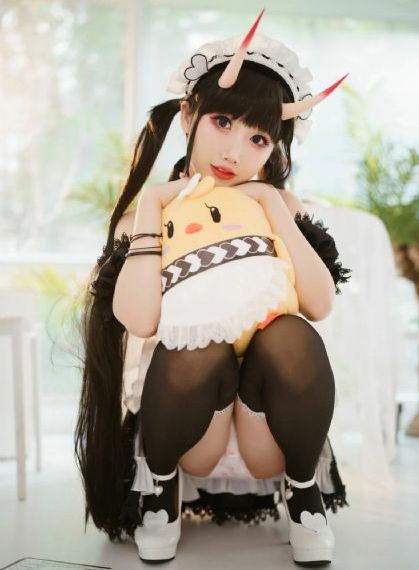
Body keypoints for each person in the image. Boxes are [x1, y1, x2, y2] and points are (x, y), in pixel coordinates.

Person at [74, 10, 351, 567]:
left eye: (258, 138)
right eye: (223, 122)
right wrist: (152, 203)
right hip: (188, 421)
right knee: (197, 343)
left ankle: (304, 491)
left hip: (267, 424)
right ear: (188, 115)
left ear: (274, 149)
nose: (234, 152)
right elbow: (141, 320)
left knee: (290, 332)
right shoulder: (150, 211)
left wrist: (272, 202)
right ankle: (162, 488)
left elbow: (320, 305)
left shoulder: (278, 203)